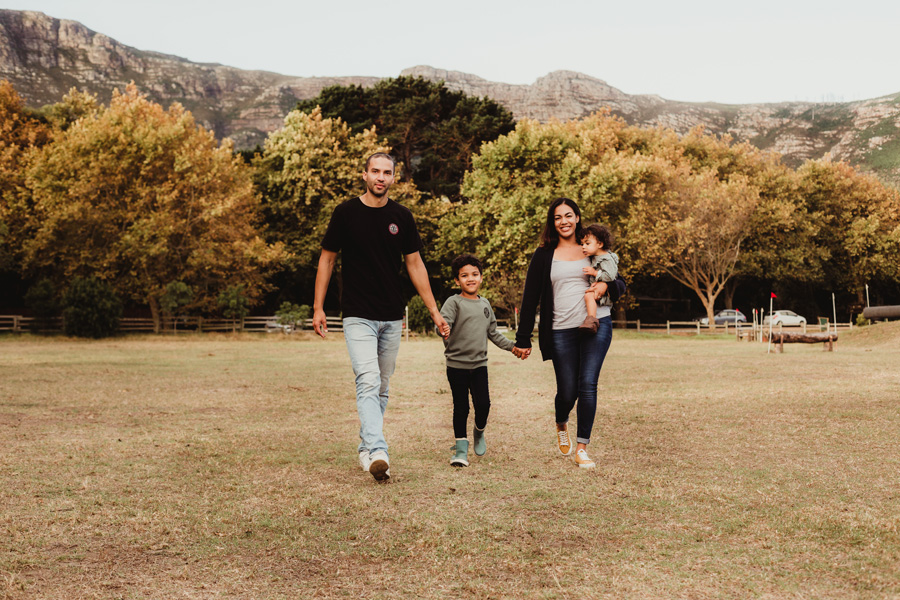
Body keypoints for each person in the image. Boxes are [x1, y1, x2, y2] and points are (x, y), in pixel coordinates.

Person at [312, 152, 450, 482]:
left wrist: (434, 311)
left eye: (387, 172)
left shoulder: (401, 216)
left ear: (392, 178)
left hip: (391, 315)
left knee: (382, 388)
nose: (380, 177)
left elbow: (415, 265)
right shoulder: (345, 213)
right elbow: (327, 260)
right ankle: (378, 449)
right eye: (375, 171)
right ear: (364, 175)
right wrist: (318, 307)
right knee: (369, 380)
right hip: (357, 313)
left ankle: (365, 449)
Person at [513, 198, 614, 469]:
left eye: (569, 215)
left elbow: (619, 280)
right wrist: (523, 338)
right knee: (568, 392)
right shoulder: (544, 254)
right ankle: (561, 421)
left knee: (588, 385)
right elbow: (530, 297)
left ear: (578, 217)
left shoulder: (592, 247)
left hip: (597, 324)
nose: (564, 221)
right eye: (558, 217)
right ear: (552, 222)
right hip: (560, 330)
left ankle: (582, 448)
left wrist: (607, 288)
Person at [440, 254, 526, 467]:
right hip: (456, 366)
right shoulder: (453, 302)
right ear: (457, 281)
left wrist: (512, 347)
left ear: (481, 278)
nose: (470, 279)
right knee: (461, 407)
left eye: (474, 274)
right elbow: (443, 324)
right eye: (464, 276)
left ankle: (479, 432)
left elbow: (493, 333)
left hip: (479, 366)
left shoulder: (485, 304)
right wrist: (443, 328)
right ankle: (460, 450)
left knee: (484, 405)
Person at [578, 224, 619, 334]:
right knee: (588, 295)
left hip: (604, 295)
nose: (583, 247)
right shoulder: (596, 257)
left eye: (587, 243)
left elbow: (610, 276)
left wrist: (595, 272)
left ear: (600, 244)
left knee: (588, 295)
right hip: (598, 289)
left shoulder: (606, 258)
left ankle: (591, 321)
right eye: (582, 244)